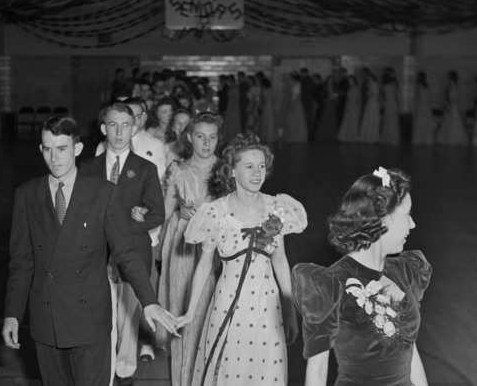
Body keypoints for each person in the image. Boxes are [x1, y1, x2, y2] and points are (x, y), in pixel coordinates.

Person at [2, 115, 178, 386]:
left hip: (90, 319)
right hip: (46, 318)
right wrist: (13, 314)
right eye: (47, 149)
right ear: (40, 150)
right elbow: (21, 262)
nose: (54, 157)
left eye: (62, 149)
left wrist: (149, 301)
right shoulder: (27, 195)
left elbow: (126, 252)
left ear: (77, 149)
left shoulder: (103, 193)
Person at [176, 134, 308, 385]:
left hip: (268, 307)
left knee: (267, 372)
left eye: (261, 166)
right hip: (228, 305)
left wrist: (290, 311)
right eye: (249, 166)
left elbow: (280, 260)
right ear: (232, 171)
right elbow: (204, 264)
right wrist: (191, 312)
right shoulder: (216, 211)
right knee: (227, 371)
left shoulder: (276, 207)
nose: (257, 173)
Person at [292, 167, 431, 386]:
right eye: (407, 214)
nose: (413, 224)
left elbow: (410, 349)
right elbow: (317, 371)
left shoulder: (405, 272)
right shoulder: (332, 284)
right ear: (384, 220)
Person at [83, 102, 166, 384]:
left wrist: (138, 220)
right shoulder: (87, 169)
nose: (119, 132)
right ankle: (102, 370)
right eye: (113, 125)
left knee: (129, 315)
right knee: (101, 317)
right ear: (104, 128)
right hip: (96, 256)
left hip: (132, 253)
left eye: (126, 125)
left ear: (134, 128)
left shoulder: (145, 168)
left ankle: (126, 370)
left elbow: (158, 213)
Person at [156, 112, 221, 385]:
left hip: (217, 245)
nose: (207, 143)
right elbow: (164, 211)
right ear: (189, 137)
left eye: (213, 137)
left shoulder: (227, 169)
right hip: (183, 244)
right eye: (200, 137)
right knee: (184, 310)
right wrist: (157, 248)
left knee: (211, 312)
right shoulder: (178, 169)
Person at [437, 70, 467, 146]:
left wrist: (448, 105)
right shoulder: (449, 86)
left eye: (449, 76)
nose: (448, 77)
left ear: (452, 77)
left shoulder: (454, 86)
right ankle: (447, 139)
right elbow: (448, 97)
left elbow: (454, 98)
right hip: (450, 106)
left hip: (453, 107)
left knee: (454, 122)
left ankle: (454, 139)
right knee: (448, 122)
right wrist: (446, 104)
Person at [412, 72, 435, 145]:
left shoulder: (419, 86)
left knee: (420, 122)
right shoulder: (427, 86)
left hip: (421, 106)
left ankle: (419, 138)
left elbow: (417, 97)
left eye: (418, 77)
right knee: (425, 122)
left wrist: (415, 106)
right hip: (426, 106)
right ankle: (426, 138)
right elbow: (429, 98)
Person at [359, 69, 381, 143]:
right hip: (372, 103)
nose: (368, 79)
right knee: (370, 119)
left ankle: (370, 136)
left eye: (369, 78)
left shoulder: (373, 84)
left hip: (372, 103)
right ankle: (369, 136)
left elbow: (373, 94)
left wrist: (368, 93)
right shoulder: (374, 84)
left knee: (371, 119)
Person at [337, 75, 361, 142]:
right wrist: (346, 107)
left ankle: (352, 136)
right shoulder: (350, 88)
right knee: (347, 121)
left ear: (354, 80)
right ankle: (346, 135)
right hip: (349, 106)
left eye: (350, 80)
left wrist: (357, 108)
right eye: (349, 80)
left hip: (353, 107)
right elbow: (347, 99)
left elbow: (358, 100)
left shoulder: (356, 88)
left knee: (352, 121)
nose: (349, 81)